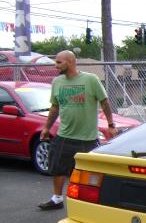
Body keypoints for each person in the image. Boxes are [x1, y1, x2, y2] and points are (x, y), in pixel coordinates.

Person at [38, 50, 117, 210]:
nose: (55, 65)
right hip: (64, 135)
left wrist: (110, 125)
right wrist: (46, 127)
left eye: (59, 62)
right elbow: (55, 107)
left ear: (70, 62)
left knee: (89, 173)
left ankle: (90, 203)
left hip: (87, 138)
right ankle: (57, 199)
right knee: (57, 167)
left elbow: (105, 102)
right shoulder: (57, 82)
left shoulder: (90, 79)